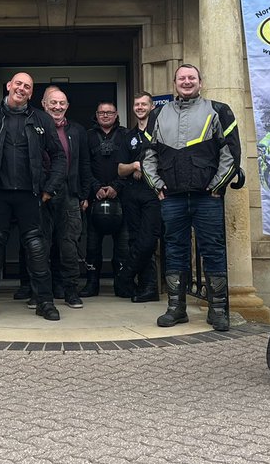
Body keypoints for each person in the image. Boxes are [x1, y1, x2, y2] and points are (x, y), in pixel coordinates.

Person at [142, 64, 241, 332]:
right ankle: (176, 308)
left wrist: (217, 185)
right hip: (172, 198)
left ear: (200, 81)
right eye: (182, 78)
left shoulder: (219, 110)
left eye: (191, 78)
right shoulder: (159, 113)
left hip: (207, 198)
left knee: (213, 250)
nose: (187, 82)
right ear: (174, 83)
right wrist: (157, 185)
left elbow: (230, 152)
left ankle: (218, 310)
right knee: (174, 250)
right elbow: (148, 154)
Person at [0, 71, 66, 322]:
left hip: (31, 196)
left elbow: (60, 158)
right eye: (18, 83)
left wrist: (48, 190)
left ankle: (45, 302)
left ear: (32, 93)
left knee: (37, 248)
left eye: (27, 86)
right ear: (9, 85)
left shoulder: (42, 119)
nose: (22, 88)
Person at [39, 86, 92, 310]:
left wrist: (84, 193)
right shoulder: (34, 127)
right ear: (43, 104)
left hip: (70, 195)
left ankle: (71, 290)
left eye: (62, 103)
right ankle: (40, 293)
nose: (57, 107)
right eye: (53, 102)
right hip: (42, 195)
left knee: (69, 244)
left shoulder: (78, 131)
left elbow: (85, 164)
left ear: (67, 106)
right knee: (40, 244)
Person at [118, 91, 164, 303]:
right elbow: (120, 169)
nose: (139, 107)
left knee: (147, 241)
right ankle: (148, 288)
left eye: (144, 104)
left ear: (151, 107)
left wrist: (143, 167)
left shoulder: (161, 132)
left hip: (153, 193)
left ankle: (124, 277)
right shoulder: (128, 137)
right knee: (135, 240)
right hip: (131, 194)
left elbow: (165, 163)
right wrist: (135, 165)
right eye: (136, 104)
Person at [84, 101, 132, 297]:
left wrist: (116, 187)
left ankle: (121, 285)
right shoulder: (87, 136)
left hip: (122, 197)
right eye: (101, 112)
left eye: (109, 112)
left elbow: (131, 164)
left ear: (116, 114)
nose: (105, 115)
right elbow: (83, 166)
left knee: (122, 246)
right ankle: (91, 284)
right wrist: (95, 187)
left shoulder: (126, 135)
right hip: (95, 198)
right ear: (96, 114)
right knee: (92, 246)